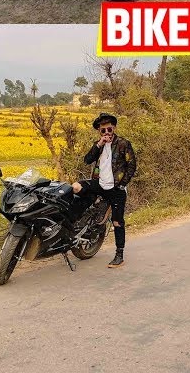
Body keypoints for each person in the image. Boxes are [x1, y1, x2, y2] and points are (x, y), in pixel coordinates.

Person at [71, 112, 137, 268]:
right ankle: (78, 225)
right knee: (75, 187)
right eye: (103, 130)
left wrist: (122, 184)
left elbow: (132, 165)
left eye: (109, 129)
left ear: (113, 128)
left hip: (116, 188)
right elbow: (87, 160)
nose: (107, 133)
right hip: (99, 184)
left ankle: (119, 254)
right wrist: (99, 144)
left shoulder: (123, 143)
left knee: (117, 221)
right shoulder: (99, 145)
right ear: (99, 131)